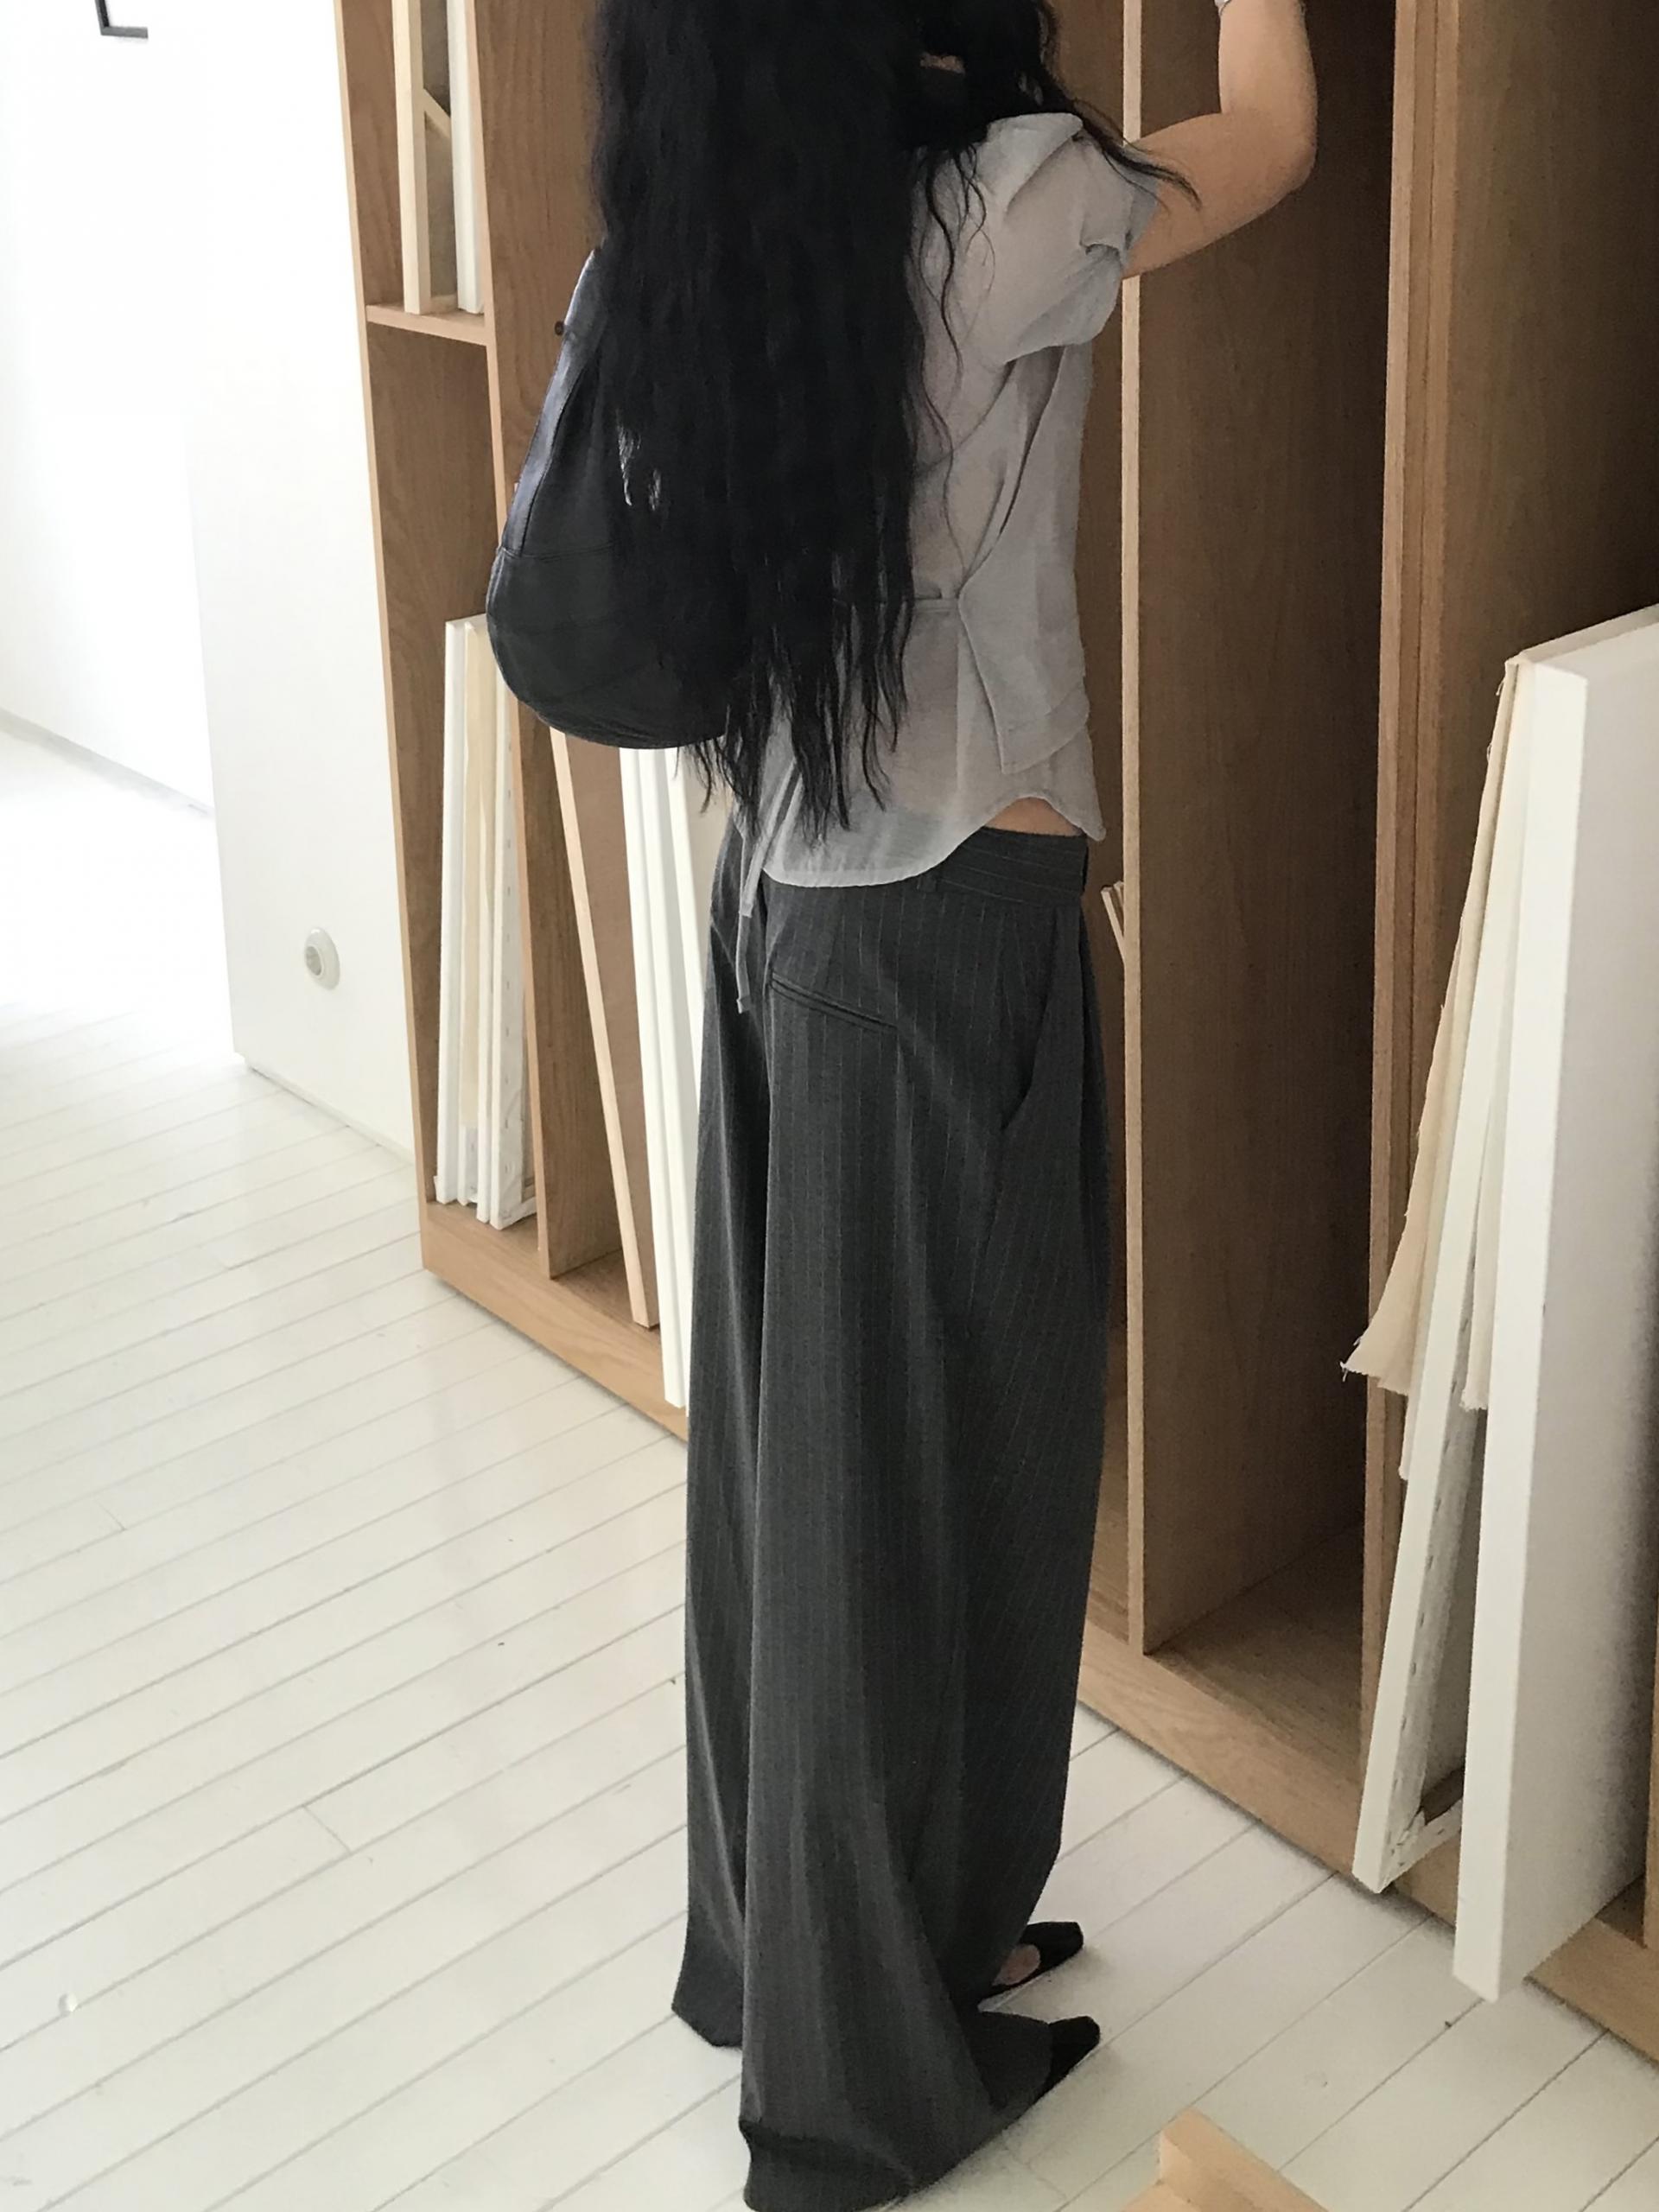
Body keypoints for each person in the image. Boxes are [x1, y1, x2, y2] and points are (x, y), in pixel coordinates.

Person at [584, 3, 1317, 2205]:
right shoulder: (1002, 207)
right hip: (939, 930)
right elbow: (1276, 134)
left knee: (810, 1496)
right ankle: (852, 2088)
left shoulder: (711, 214)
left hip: (790, 909)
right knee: (945, 1497)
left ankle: (822, 1955)